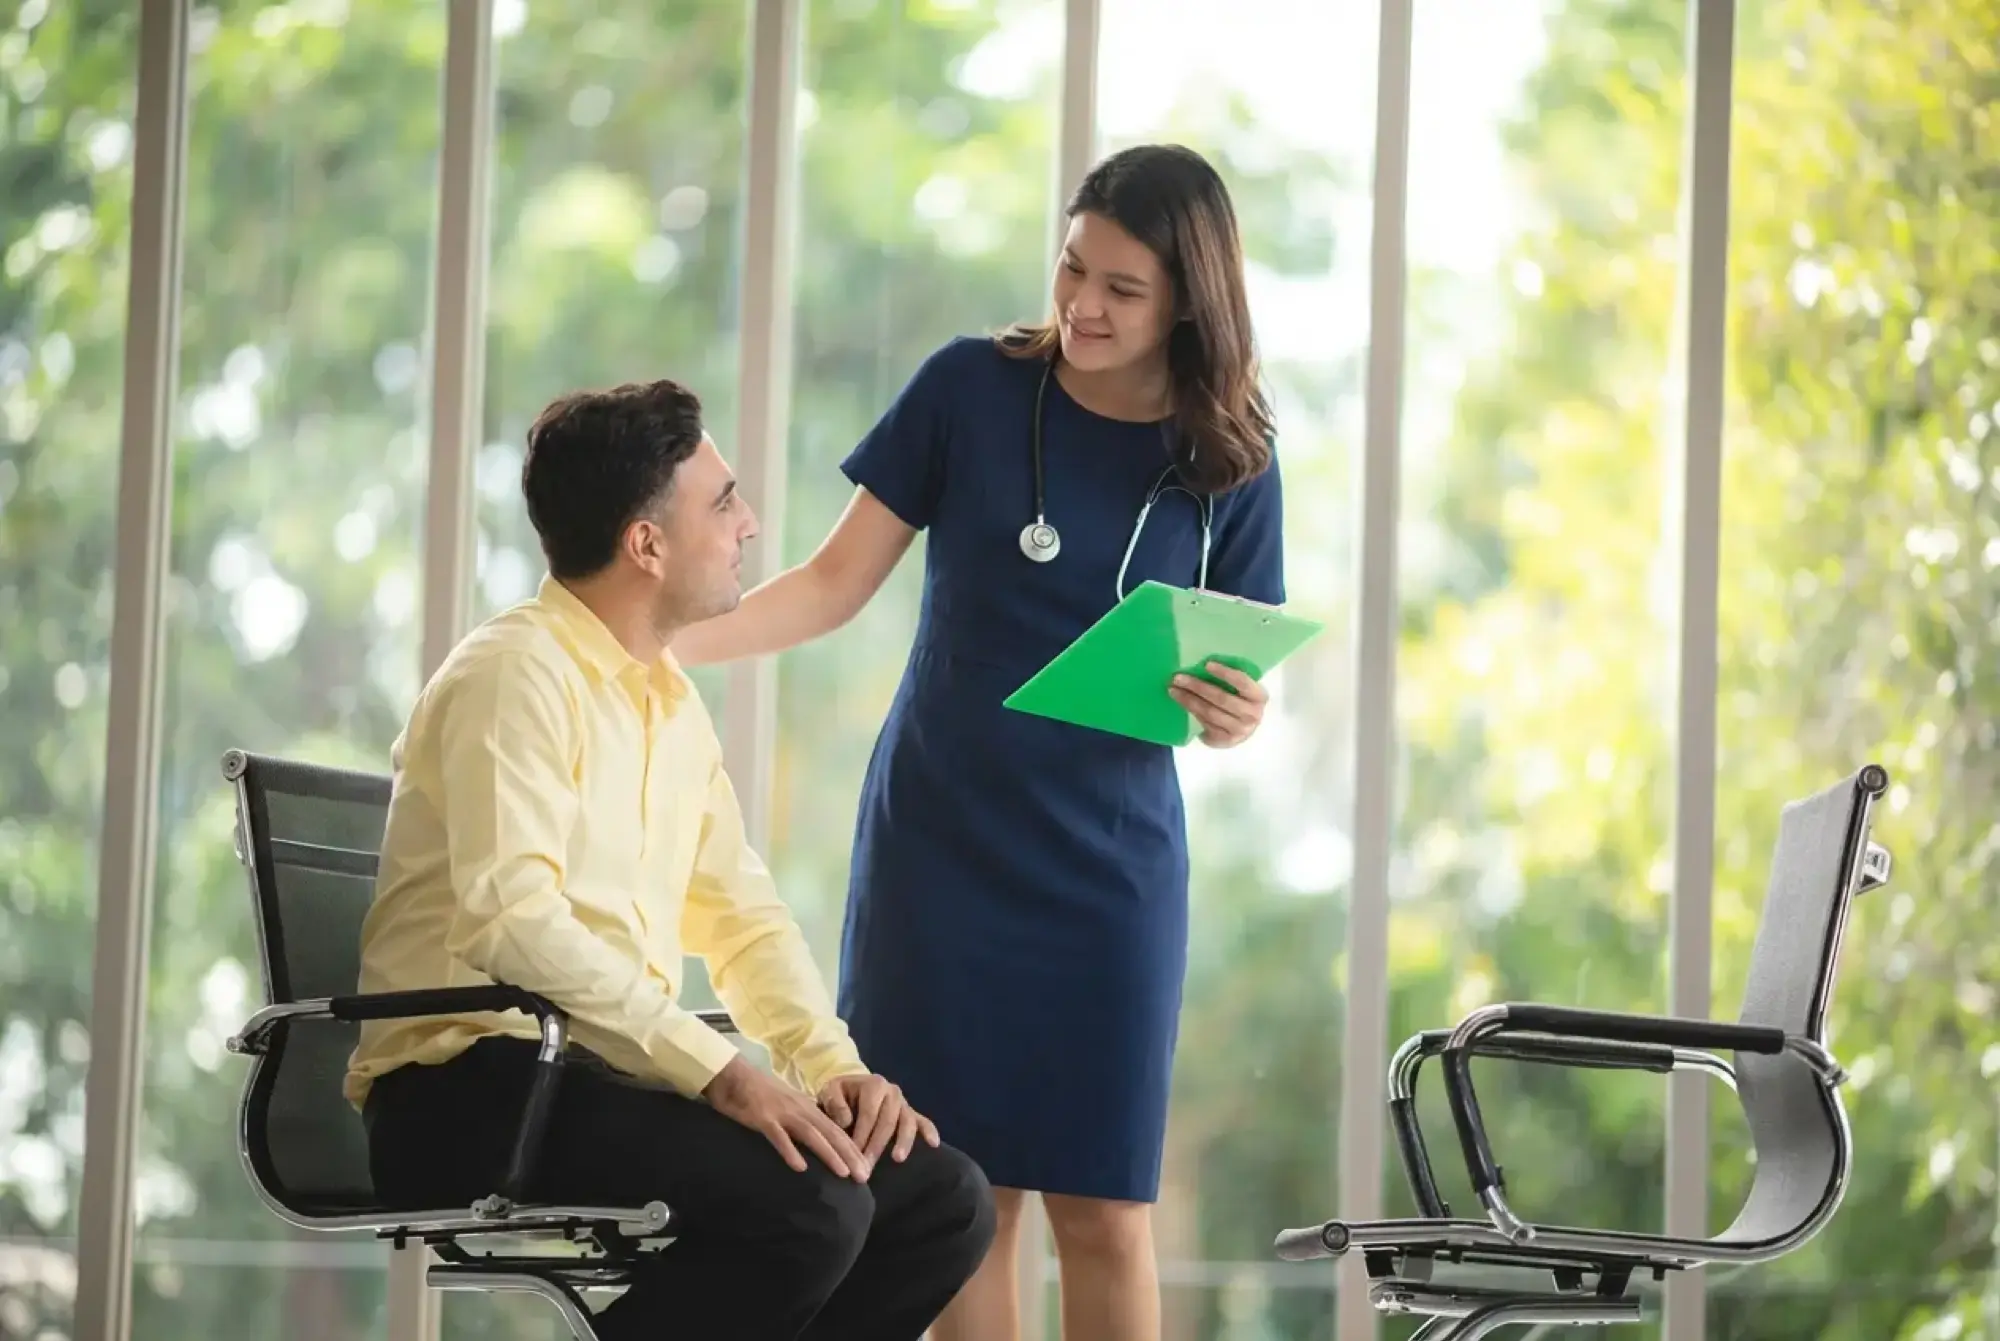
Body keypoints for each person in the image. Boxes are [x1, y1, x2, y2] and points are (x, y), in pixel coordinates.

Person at [670, 143, 1286, 1341]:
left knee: (1104, 1210)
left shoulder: (1233, 453)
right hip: (938, 853)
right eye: (1071, 270)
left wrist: (1238, 711)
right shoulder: (968, 389)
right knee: (960, 1196)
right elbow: (832, 583)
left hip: (1108, 870)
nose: (1080, 307)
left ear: (1187, 303)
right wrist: (655, 642)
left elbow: (1238, 676)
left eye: (1121, 290)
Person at [344, 378, 997, 1341]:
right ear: (645, 545)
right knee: (809, 1208)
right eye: (724, 501)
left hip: (594, 1074)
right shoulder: (511, 676)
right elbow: (509, 919)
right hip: (463, 1089)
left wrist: (830, 1065)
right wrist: (720, 1071)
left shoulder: (669, 701)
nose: (751, 524)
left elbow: (739, 915)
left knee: (939, 1197)